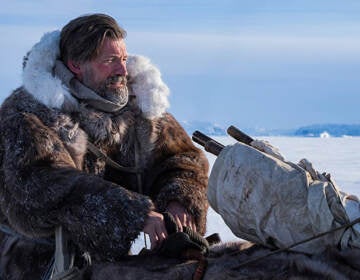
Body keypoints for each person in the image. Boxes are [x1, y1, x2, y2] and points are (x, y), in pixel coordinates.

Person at [0, 13, 209, 278]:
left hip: (109, 263)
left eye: (123, 59)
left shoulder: (140, 108)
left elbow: (181, 160)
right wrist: (132, 213)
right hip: (30, 261)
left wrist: (179, 200)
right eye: (109, 61)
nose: (122, 70)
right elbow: (42, 184)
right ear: (76, 64)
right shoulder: (27, 113)